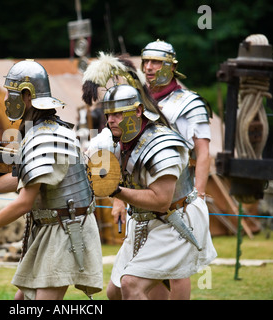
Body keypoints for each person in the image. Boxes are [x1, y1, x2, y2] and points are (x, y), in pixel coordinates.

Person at [0, 59, 103, 300]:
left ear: (26, 95)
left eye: (10, 93)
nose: (5, 99)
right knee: (22, 300)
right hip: (54, 226)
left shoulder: (46, 137)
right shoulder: (42, 131)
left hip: (66, 229)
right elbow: (24, 181)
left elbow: (24, 202)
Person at [83, 53, 216, 300]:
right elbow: (87, 154)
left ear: (138, 111)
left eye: (119, 114)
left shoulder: (162, 144)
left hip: (175, 220)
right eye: (108, 114)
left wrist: (115, 191)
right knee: (116, 291)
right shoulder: (114, 136)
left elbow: (161, 200)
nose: (111, 120)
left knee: (132, 284)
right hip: (142, 221)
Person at [140, 39, 213, 299]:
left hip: (179, 199)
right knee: (145, 267)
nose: (149, 67)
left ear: (171, 66)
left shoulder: (189, 103)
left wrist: (199, 197)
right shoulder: (137, 100)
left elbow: (203, 153)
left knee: (177, 269)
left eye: (156, 62)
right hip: (142, 198)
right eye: (146, 61)